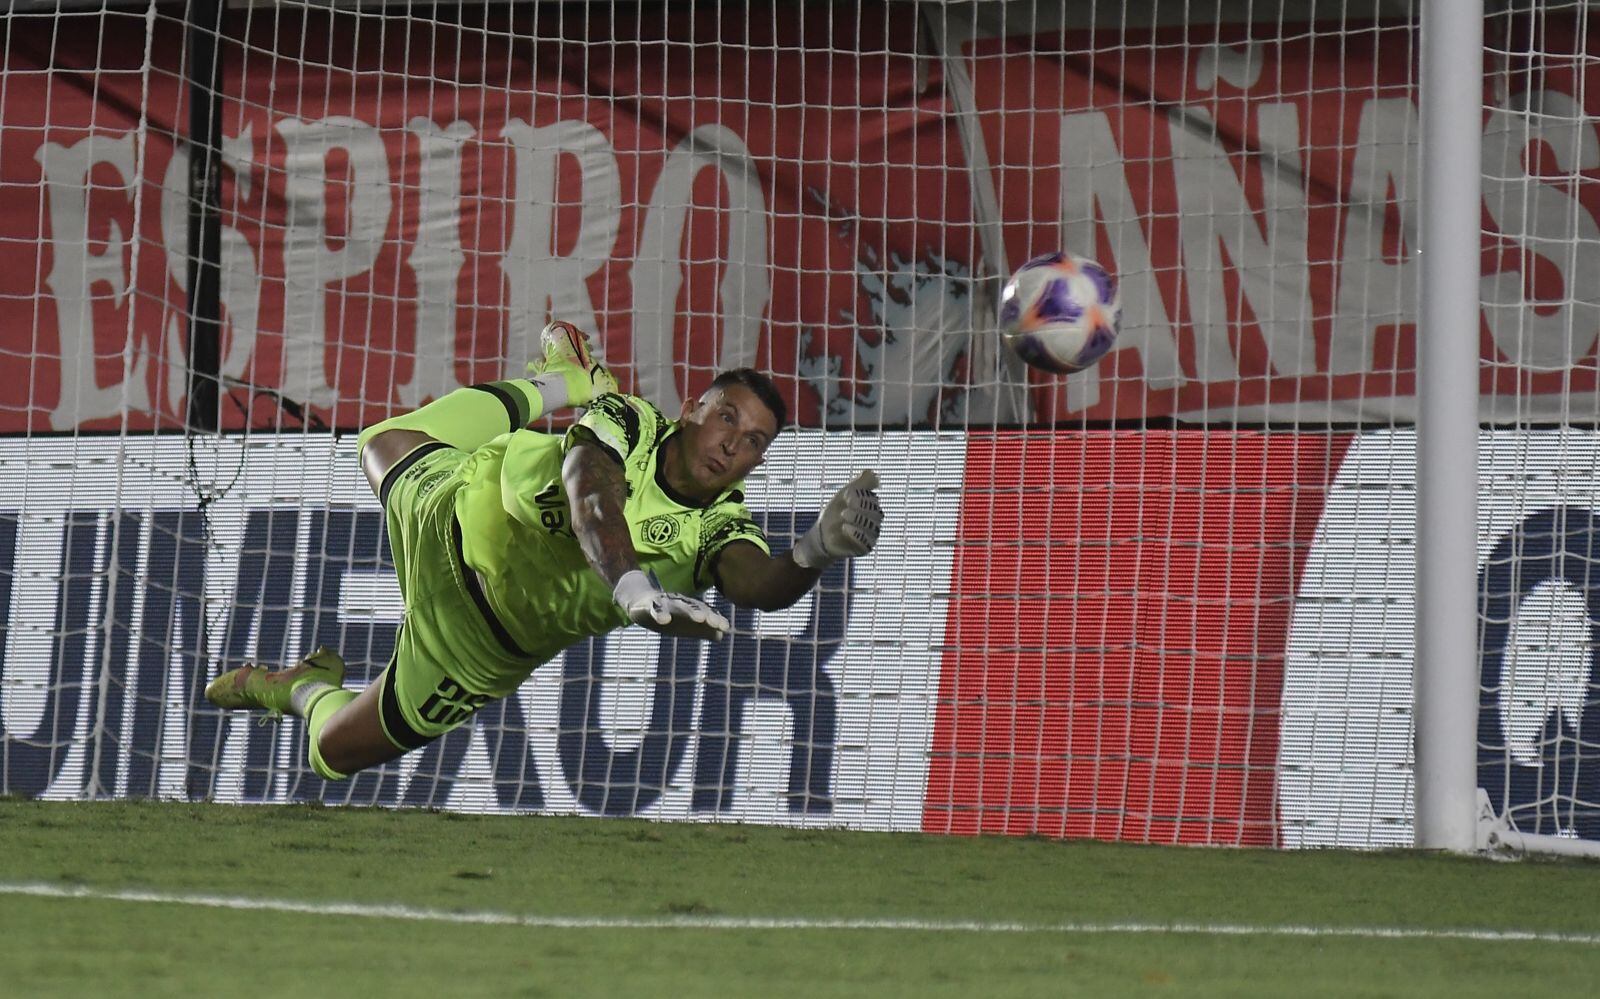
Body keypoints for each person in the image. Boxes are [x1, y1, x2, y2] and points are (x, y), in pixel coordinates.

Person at [205, 321, 884, 781]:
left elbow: (755, 584)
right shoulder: (631, 422)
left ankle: (296, 686)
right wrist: (631, 586)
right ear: (691, 410)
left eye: (756, 440)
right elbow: (590, 489)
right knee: (381, 440)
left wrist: (815, 548)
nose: (736, 442)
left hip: (476, 648)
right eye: (728, 416)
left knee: (333, 751)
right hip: (450, 518)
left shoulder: (722, 525)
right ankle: (564, 385)